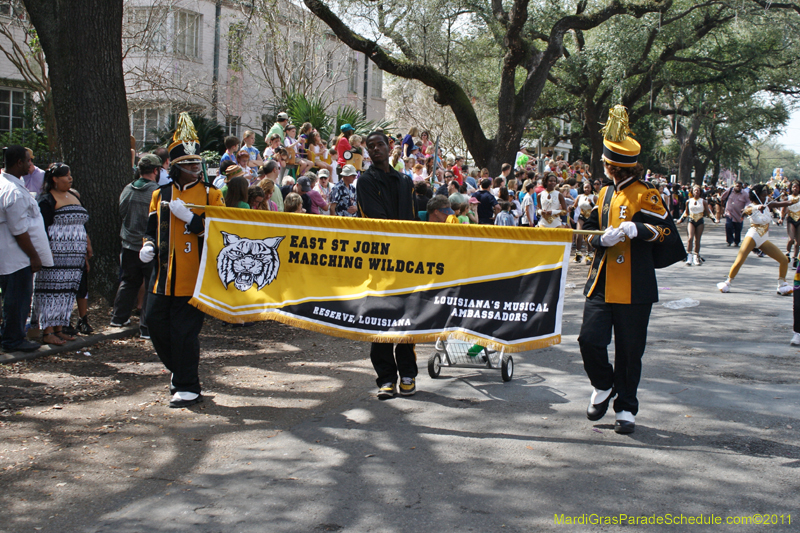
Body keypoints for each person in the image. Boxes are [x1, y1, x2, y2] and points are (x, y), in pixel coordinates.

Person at [579, 105, 685, 434]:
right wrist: (599, 238)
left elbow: (666, 233)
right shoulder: (603, 193)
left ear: (612, 165)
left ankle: (626, 407)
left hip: (635, 285)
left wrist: (638, 229)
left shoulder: (647, 195)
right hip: (601, 282)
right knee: (589, 340)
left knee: (629, 350)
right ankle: (604, 384)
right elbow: (586, 235)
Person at [141, 113, 225, 408]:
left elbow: (222, 236)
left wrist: (192, 220)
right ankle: (179, 372)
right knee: (154, 323)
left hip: (195, 276)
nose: (194, 169)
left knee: (184, 333)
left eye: (196, 164)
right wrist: (148, 245)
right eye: (188, 165)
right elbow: (150, 231)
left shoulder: (212, 195)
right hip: (162, 275)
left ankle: (188, 384)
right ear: (175, 167)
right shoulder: (160, 194)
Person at [357, 131, 418, 399]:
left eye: (379, 144)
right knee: (379, 319)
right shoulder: (365, 181)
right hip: (380, 262)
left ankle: (407, 374)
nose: (375, 150)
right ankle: (385, 379)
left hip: (407, 262)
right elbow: (376, 220)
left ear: (389, 146)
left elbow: (414, 222)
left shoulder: (405, 181)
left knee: (407, 318)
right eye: (370, 147)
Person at [32, 163, 91, 346]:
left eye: (70, 175)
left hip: (74, 257)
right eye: (66, 175)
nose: (70, 178)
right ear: (55, 179)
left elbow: (83, 225)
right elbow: (41, 228)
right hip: (54, 255)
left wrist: (87, 246)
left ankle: (59, 328)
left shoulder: (74, 195)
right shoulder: (46, 199)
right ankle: (47, 331)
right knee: (51, 291)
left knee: (67, 292)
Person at [0, 145, 52, 352]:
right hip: (16, 256)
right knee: (17, 299)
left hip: (11, 255)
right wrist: (34, 257)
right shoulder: (13, 192)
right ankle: (13, 339)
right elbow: (19, 231)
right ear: (19, 162)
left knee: (12, 298)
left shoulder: (8, 184)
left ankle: (9, 335)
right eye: (28, 160)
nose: (31, 164)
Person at [110, 154, 161, 338]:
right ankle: (146, 327)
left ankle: (118, 317)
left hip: (128, 244)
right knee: (150, 285)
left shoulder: (127, 189)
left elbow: (121, 211)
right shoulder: (157, 192)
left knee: (128, 281)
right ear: (156, 170)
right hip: (148, 245)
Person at [717, 184, 797, 296]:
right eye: (764, 192)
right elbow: (744, 211)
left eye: (767, 192)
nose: (767, 193)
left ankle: (782, 284)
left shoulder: (769, 203)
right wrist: (756, 208)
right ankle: (728, 282)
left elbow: (787, 203)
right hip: (753, 236)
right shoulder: (751, 206)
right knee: (739, 260)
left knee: (783, 260)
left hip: (763, 238)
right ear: (758, 194)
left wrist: (795, 199)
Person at [677, 185, 717, 266]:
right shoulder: (688, 201)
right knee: (690, 238)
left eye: (698, 190)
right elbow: (686, 212)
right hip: (691, 220)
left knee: (697, 239)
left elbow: (708, 212)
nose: (696, 192)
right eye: (695, 190)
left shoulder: (703, 201)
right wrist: (681, 219)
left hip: (700, 221)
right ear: (692, 192)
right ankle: (689, 257)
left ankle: (696, 256)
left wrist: (714, 219)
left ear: (700, 192)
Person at [573, 181, 597, 263]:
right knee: (578, 235)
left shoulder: (594, 197)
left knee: (589, 235)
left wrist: (591, 204)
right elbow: (574, 206)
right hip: (581, 216)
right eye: (585, 187)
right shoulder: (579, 196)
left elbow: (597, 208)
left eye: (588, 187)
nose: (586, 189)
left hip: (590, 217)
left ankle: (589, 254)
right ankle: (578, 253)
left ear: (591, 188)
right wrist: (569, 209)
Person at [721, 181, 749, 247]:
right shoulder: (730, 191)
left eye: (739, 186)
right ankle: (729, 241)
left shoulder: (745, 194)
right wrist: (722, 206)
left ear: (742, 187)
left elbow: (748, 202)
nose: (738, 187)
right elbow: (722, 197)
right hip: (729, 213)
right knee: (728, 226)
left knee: (738, 228)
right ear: (734, 186)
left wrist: (745, 209)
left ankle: (737, 241)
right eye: (736, 186)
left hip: (739, 214)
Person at [781, 180, 800, 268]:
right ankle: (787, 253)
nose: (795, 188)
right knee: (791, 239)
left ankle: (795, 258)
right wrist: (781, 218)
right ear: (791, 188)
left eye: (797, 187)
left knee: (798, 242)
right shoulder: (788, 198)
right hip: (791, 219)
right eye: (793, 187)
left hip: (799, 219)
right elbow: (783, 209)